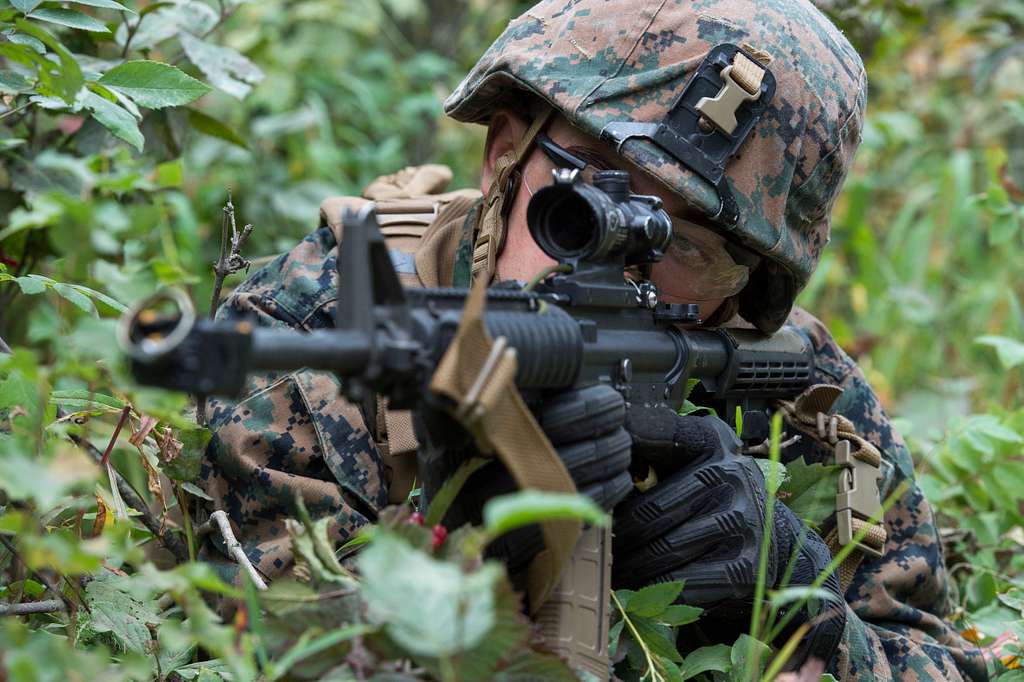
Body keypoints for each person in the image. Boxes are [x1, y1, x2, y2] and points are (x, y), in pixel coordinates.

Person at [198, 0, 986, 678]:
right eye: (582, 202)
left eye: (691, 246)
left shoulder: (796, 394)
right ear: (506, 151)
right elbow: (278, 656)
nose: (629, 256)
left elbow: (938, 659)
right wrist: (460, 555)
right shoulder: (308, 351)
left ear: (748, 283)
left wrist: (798, 615)